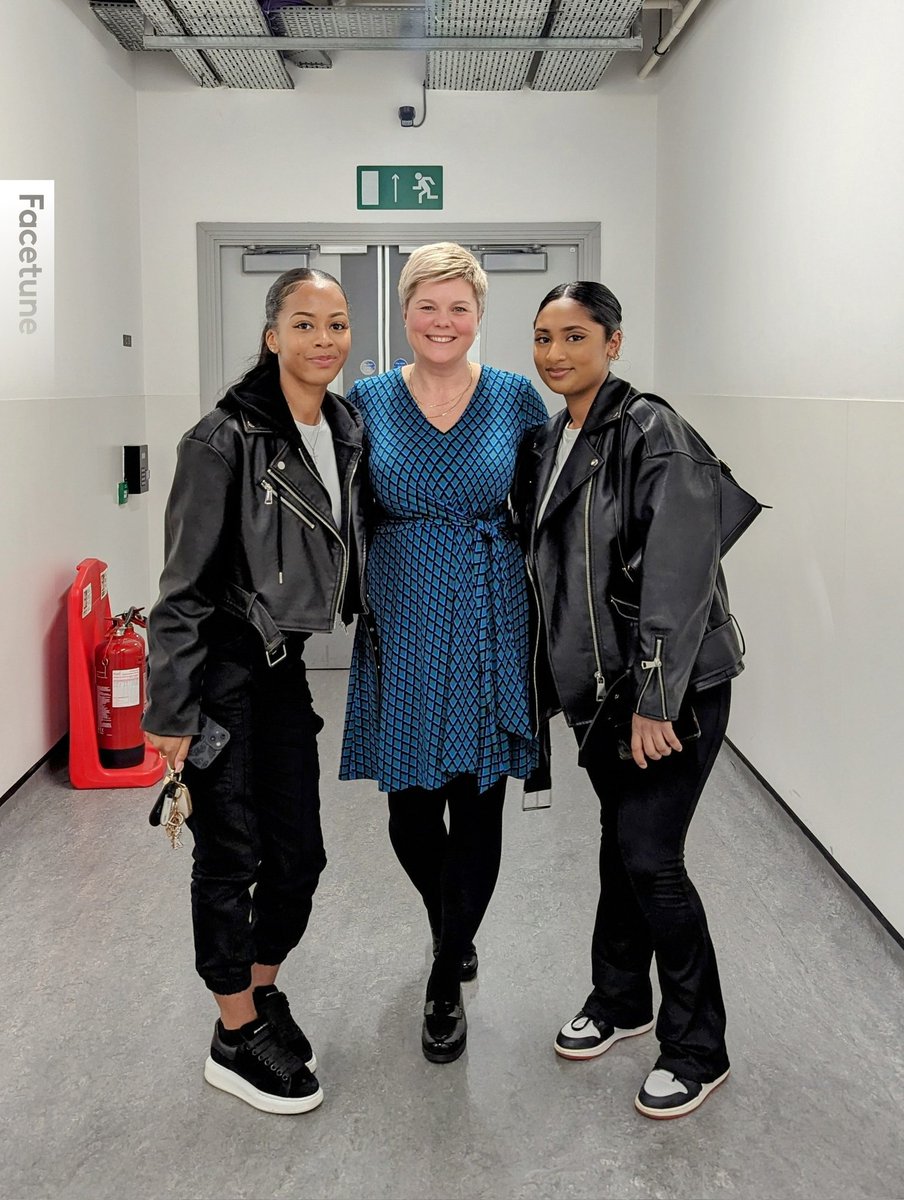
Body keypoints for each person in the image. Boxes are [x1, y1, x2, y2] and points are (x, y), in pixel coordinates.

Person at [513, 281, 746, 1119]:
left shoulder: (652, 432)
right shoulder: (550, 442)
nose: (555, 353)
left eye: (575, 336)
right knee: (622, 845)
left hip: (671, 694)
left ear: (613, 342)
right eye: (542, 337)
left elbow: (680, 579)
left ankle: (698, 1046)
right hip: (603, 698)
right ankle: (621, 1001)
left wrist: (655, 697)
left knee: (653, 858)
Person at [144, 268, 366, 1115]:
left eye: (337, 324)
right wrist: (170, 709)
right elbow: (183, 588)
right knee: (230, 856)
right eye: (304, 323)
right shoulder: (222, 439)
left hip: (283, 675)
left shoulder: (343, 425)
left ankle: (259, 991)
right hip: (222, 676)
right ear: (272, 335)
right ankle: (232, 1034)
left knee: (299, 855)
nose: (323, 339)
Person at [340, 242, 548, 1064]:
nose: (443, 321)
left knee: (479, 795)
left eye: (459, 306)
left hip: (492, 608)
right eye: (428, 304)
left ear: (480, 314)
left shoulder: (514, 398)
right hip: (402, 611)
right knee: (410, 805)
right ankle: (448, 920)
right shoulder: (365, 401)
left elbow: (545, 507)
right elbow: (344, 506)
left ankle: (443, 973)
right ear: (404, 311)